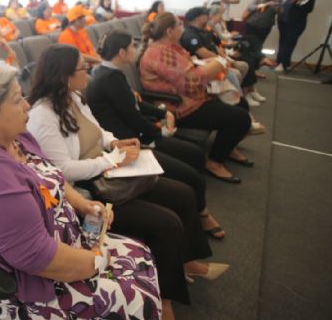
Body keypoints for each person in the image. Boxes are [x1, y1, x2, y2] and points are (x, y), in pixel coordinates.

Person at [0, 59, 163, 319]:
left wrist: (82, 205)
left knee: (141, 253)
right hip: (33, 283)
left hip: (67, 244)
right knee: (133, 297)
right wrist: (95, 262)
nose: (26, 105)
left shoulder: (16, 135)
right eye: (17, 100)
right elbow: (34, 257)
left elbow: (53, 176)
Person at [27, 46, 227, 317]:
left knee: (183, 194)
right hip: (89, 192)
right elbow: (63, 170)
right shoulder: (43, 115)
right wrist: (112, 161)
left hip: (108, 171)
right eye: (81, 69)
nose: (88, 72)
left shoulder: (73, 97)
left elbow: (98, 130)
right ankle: (165, 301)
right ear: (63, 75)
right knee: (167, 223)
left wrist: (114, 143)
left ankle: (186, 261)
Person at [87, 29, 225, 239]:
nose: (136, 50)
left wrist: (163, 112)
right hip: (131, 141)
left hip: (136, 132)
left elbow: (135, 104)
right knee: (192, 173)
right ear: (122, 52)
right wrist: (159, 131)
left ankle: (197, 210)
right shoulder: (109, 78)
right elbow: (131, 116)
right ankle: (201, 213)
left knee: (194, 155)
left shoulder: (109, 72)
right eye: (132, 46)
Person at [140, 12, 252, 183]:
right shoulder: (159, 53)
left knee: (241, 104)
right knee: (241, 118)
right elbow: (189, 81)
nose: (182, 28)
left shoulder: (170, 47)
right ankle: (214, 163)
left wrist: (212, 64)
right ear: (170, 30)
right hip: (177, 107)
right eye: (179, 25)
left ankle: (228, 148)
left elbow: (189, 68)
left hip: (189, 98)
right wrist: (217, 64)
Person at [275, 0, 315, 72]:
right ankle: (281, 62)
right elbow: (284, 8)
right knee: (282, 43)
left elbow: (308, 9)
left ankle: (283, 64)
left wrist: (298, 0)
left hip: (295, 25)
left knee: (289, 44)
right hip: (284, 23)